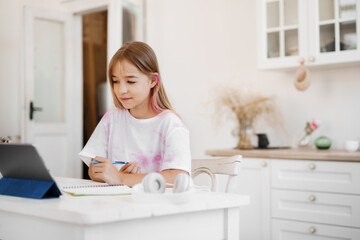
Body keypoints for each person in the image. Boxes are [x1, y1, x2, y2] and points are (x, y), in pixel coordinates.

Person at [79, 41, 191, 187]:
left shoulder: (170, 123)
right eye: (115, 81)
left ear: (152, 81)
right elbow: (95, 168)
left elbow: (178, 177)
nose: (121, 90)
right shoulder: (113, 118)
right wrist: (99, 172)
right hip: (120, 204)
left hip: (158, 206)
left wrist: (121, 178)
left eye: (130, 81)